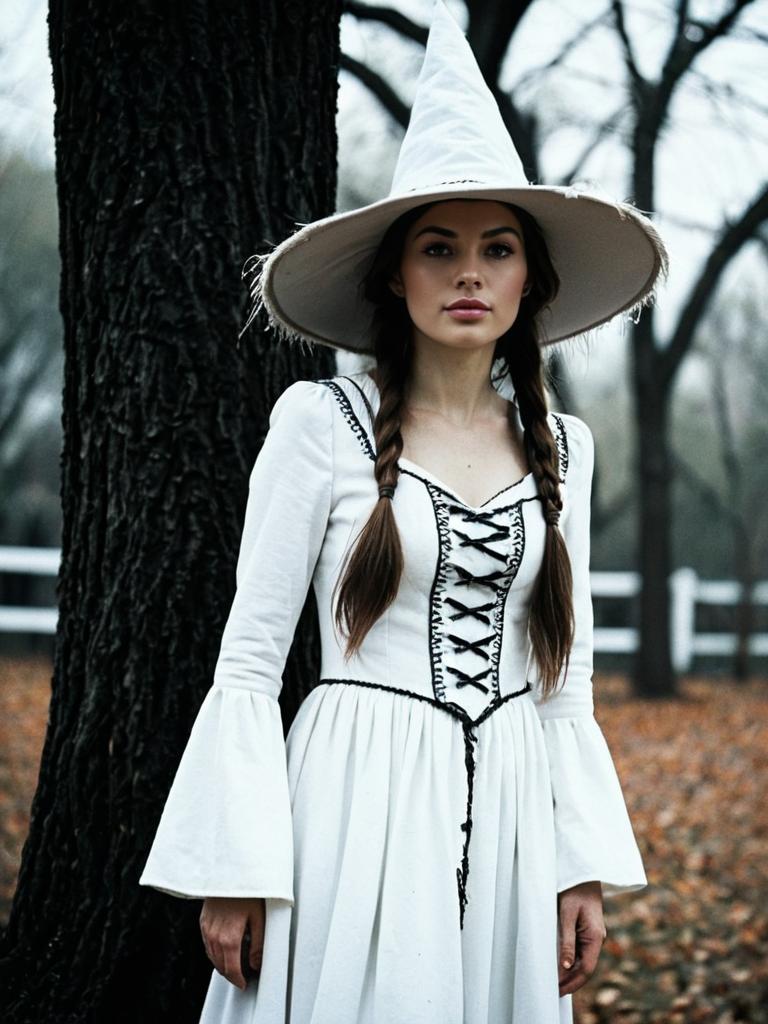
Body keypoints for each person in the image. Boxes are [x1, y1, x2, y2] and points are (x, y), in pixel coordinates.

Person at [139, 3, 668, 1022]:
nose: (470, 270)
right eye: (439, 246)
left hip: (514, 807)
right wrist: (239, 863)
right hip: (355, 799)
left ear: (530, 276)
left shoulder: (568, 447)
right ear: (395, 270)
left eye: (498, 248)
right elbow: (250, 658)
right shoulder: (319, 423)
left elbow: (567, 679)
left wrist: (580, 865)